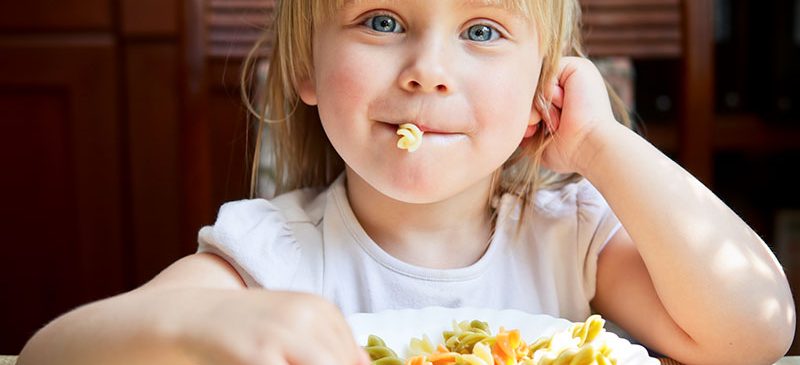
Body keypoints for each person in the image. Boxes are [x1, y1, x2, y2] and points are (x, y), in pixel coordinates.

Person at [19, 1, 795, 364]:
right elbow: (52, 353)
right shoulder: (271, 254)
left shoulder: (570, 236)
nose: (428, 71)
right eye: (382, 21)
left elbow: (754, 330)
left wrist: (599, 144)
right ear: (305, 68)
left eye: (483, 32)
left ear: (541, 88)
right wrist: (198, 328)